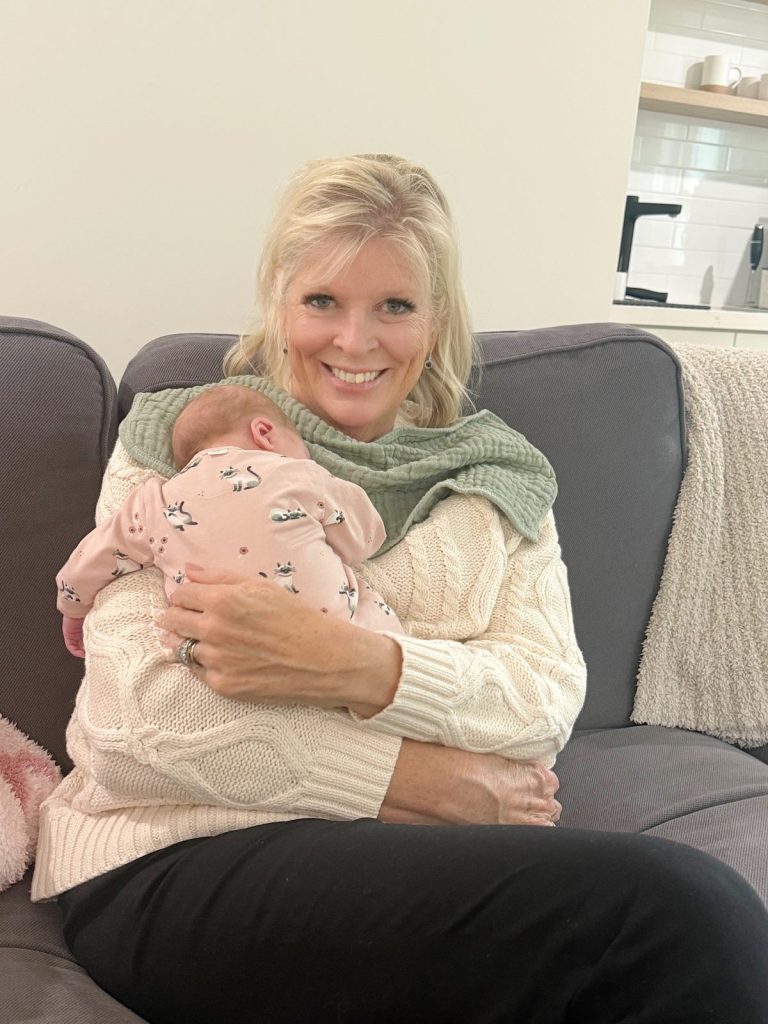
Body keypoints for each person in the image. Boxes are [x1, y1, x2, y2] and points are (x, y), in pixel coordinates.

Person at [33, 154, 768, 1024]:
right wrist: (416, 781)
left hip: (408, 864)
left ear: (437, 318)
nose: (355, 342)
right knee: (678, 916)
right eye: (322, 302)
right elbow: (137, 721)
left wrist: (353, 666)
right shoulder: (186, 441)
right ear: (277, 301)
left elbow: (540, 703)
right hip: (173, 856)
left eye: (394, 306)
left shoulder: (497, 478)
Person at [57, 384, 402, 661]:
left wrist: (73, 608)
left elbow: (94, 554)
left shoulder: (156, 500)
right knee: (381, 626)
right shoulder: (299, 473)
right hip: (333, 639)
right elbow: (363, 542)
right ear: (265, 432)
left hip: (222, 650)